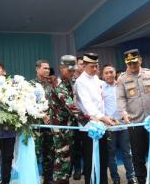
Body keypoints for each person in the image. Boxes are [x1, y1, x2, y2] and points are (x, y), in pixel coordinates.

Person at [116, 49, 150, 184]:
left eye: (135, 62)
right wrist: (124, 113)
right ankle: (142, 181)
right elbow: (121, 99)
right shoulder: (122, 79)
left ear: (140, 60)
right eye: (129, 63)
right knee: (138, 157)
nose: (132, 65)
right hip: (135, 124)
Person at [47, 55, 90, 184]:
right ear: (61, 68)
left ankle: (63, 179)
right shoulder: (59, 84)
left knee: (66, 158)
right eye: (69, 70)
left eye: (73, 70)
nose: (72, 73)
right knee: (61, 158)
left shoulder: (68, 82)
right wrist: (91, 122)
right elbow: (71, 107)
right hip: (60, 128)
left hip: (67, 127)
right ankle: (59, 181)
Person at [74, 53, 115, 184]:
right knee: (91, 161)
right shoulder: (80, 82)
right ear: (84, 66)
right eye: (92, 66)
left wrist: (106, 118)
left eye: (96, 66)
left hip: (101, 127)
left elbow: (102, 100)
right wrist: (103, 118)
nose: (95, 69)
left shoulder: (96, 78)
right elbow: (88, 106)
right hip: (89, 129)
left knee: (103, 160)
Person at [101, 64, 137, 184]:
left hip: (123, 125)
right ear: (103, 75)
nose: (109, 74)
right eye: (106, 72)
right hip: (109, 127)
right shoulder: (100, 87)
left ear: (115, 73)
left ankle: (131, 177)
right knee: (111, 155)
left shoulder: (121, 86)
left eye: (111, 72)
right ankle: (115, 179)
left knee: (127, 153)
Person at [32, 59, 53, 184]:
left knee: (49, 154)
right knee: (35, 154)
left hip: (50, 125)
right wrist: (42, 114)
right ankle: (34, 179)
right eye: (45, 68)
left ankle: (48, 179)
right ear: (37, 69)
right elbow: (28, 104)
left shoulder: (52, 84)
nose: (47, 70)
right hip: (37, 126)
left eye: (48, 68)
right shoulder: (30, 85)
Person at [71, 55, 85, 180]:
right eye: (81, 64)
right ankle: (77, 168)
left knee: (87, 143)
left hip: (87, 117)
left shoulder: (91, 79)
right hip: (74, 118)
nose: (83, 66)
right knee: (76, 145)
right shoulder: (69, 80)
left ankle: (87, 168)